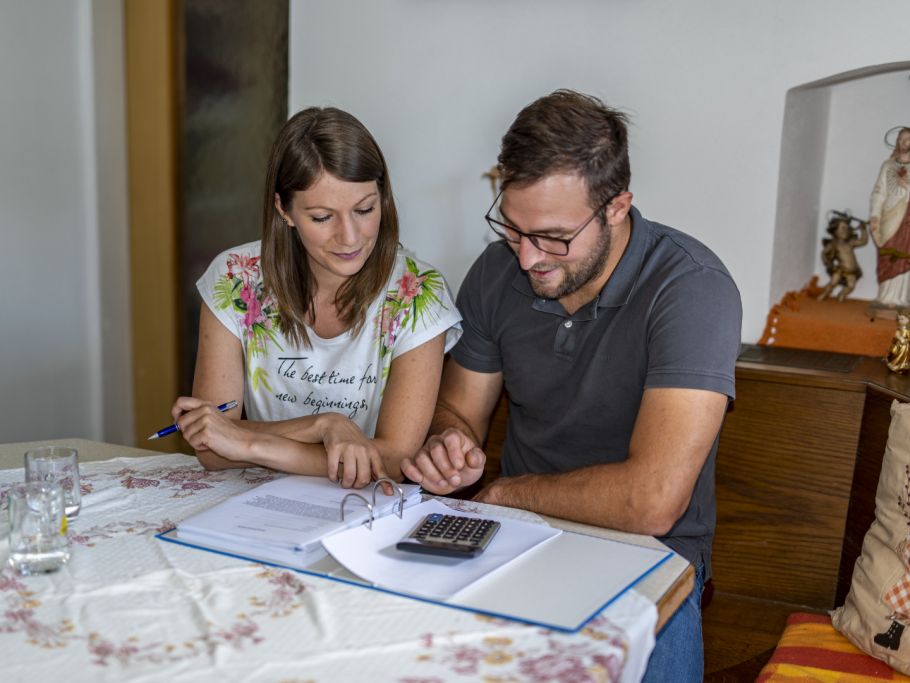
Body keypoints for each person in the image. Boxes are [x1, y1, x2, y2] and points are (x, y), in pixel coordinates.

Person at [400, 90, 742, 682]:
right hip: (512, 537)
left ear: (617, 207)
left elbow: (652, 501)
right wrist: (448, 443)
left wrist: (507, 495)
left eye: (553, 236)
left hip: (648, 557)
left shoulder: (693, 289)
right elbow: (458, 410)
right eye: (513, 228)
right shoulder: (497, 271)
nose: (527, 257)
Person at [171, 107, 461, 488]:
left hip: (363, 509)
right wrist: (323, 426)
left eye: (365, 209)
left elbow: (392, 461)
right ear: (284, 210)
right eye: (323, 217)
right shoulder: (234, 279)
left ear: (383, 198)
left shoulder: (419, 294)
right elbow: (211, 448)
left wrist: (248, 442)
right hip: (253, 503)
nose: (350, 237)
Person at [870, 127, 910, 308]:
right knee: (887, 251)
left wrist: (907, 186)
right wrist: (875, 216)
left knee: (905, 254)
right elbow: (879, 192)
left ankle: (901, 298)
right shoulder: (888, 165)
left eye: (907, 139)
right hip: (889, 215)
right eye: (901, 139)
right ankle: (885, 296)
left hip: (907, 217)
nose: (903, 142)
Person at [817, 214, 868, 302]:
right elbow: (823, 253)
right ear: (835, 231)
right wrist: (827, 262)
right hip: (840, 270)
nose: (846, 230)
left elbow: (863, 241)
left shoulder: (850, 242)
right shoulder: (834, 244)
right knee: (833, 282)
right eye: (843, 228)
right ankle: (825, 293)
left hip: (852, 270)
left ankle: (842, 294)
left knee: (851, 286)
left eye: (847, 228)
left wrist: (863, 229)